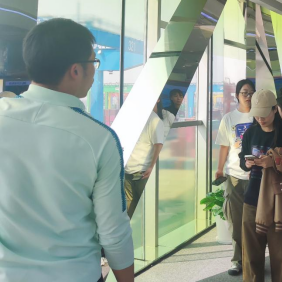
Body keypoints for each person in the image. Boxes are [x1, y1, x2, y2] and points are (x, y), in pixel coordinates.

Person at [0, 19, 134, 282]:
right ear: (75, 70)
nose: (95, 71)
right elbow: (112, 231)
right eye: (94, 62)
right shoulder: (99, 138)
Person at [239, 90, 282, 282]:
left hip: (280, 201)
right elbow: (242, 158)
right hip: (253, 198)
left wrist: (275, 162)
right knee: (251, 255)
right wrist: (247, 163)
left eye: (264, 114)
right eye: (257, 114)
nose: (260, 119)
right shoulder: (250, 133)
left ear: (275, 109)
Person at [215, 79, 255, 276]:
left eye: (251, 92)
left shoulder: (260, 115)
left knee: (254, 220)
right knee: (235, 220)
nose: (248, 96)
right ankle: (237, 260)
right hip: (234, 176)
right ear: (237, 95)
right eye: (244, 92)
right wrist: (219, 169)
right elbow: (224, 146)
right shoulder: (229, 119)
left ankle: (252, 259)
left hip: (256, 176)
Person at [125, 101, 165, 219]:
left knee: (135, 207)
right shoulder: (153, 119)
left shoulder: (150, 119)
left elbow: (158, 145)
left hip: (137, 170)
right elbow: (158, 144)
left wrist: (151, 167)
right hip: (136, 170)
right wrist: (152, 167)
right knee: (140, 208)